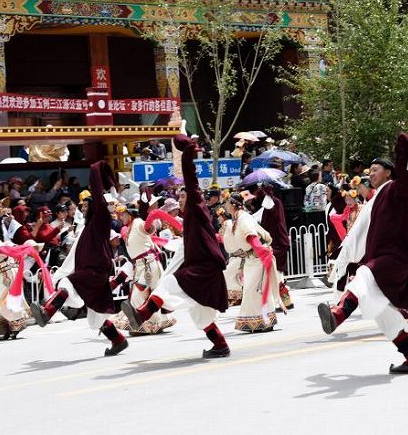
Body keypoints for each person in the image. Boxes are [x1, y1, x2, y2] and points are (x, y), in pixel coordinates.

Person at [318, 134, 408, 375]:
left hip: (395, 257)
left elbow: (407, 174)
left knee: (364, 275)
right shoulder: (376, 197)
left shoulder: (396, 189)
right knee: (384, 315)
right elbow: (358, 229)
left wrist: (405, 145)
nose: (371, 174)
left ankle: (338, 315)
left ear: (389, 172)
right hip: (383, 258)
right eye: (370, 170)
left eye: (376, 169)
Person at [122, 134, 231, 359]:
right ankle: (220, 345)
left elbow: (191, 181)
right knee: (200, 312)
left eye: (183, 196)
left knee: (169, 283)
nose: (180, 200)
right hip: (201, 268)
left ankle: (142, 315)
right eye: (179, 197)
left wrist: (186, 153)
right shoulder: (187, 219)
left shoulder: (197, 209)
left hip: (205, 269)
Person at [30, 161, 128, 357]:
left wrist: (95, 171)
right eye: (82, 205)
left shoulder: (101, 221)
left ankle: (48, 311)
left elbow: (99, 200)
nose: (82, 208)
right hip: (93, 272)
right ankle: (118, 340)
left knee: (68, 283)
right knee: (96, 315)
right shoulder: (87, 227)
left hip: (95, 271)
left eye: (85, 205)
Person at [111, 207, 177, 335]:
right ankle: (152, 323)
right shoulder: (129, 227)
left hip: (148, 263)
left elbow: (149, 229)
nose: (121, 217)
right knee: (144, 294)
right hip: (141, 265)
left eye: (123, 215)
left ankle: (147, 324)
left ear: (130, 215)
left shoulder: (139, 223)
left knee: (141, 294)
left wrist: (149, 225)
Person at [221, 193, 282, 332]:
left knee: (255, 290)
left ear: (233, 204)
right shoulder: (236, 219)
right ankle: (259, 321)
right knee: (253, 291)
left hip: (258, 258)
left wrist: (262, 251)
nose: (225, 206)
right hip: (251, 259)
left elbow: (252, 237)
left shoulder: (244, 218)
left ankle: (264, 321)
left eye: (227, 203)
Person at [254, 184, 294, 310]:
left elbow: (260, 219)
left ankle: (278, 303)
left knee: (275, 275)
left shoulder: (272, 205)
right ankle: (286, 302)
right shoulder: (274, 204)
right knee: (277, 275)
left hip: (276, 244)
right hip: (279, 243)